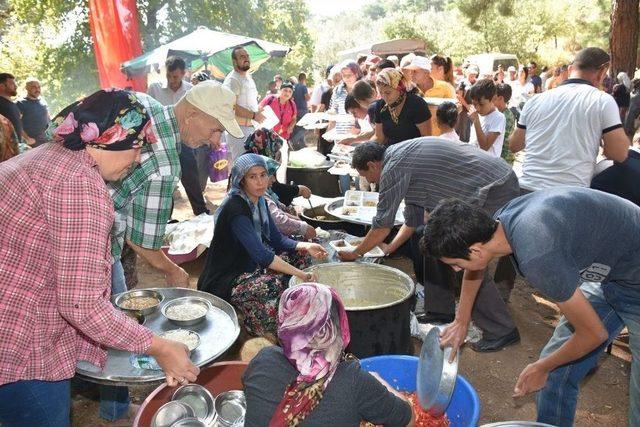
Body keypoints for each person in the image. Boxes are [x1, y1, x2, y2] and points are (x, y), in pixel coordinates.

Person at [0, 89, 201, 427]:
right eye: (136, 146)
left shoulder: (46, 157)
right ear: (104, 140)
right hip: (18, 346)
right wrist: (159, 346)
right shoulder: (79, 185)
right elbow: (81, 306)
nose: (138, 159)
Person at [422, 188, 640, 427]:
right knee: (555, 372)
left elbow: (593, 334)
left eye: (455, 263)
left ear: (474, 249)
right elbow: (475, 267)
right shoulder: (499, 224)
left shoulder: (537, 255)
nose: (456, 270)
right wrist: (461, 321)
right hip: (614, 272)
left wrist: (540, 367)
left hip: (634, 278)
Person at [339, 140, 521, 351]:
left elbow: (382, 226)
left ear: (372, 165)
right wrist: (390, 248)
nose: (367, 180)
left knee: (469, 255)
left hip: (494, 186)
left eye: (364, 175)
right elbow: (413, 220)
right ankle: (440, 310)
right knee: (432, 238)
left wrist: (356, 252)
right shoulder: (400, 159)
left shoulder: (393, 167)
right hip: (480, 182)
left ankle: (501, 329)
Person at [243, 282, 414, 426]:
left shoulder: (263, 359)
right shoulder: (354, 380)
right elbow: (408, 419)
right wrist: (380, 381)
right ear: (338, 327)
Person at [197, 154, 327, 337]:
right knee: (271, 285)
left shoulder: (260, 203)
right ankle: (261, 329)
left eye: (263, 175)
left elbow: (277, 240)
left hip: (251, 266)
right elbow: (262, 256)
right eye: (252, 177)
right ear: (241, 180)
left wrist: (305, 245)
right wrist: (301, 274)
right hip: (226, 277)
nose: (260, 182)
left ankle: (295, 310)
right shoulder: (236, 209)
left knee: (303, 256)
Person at [509, 47, 630, 193]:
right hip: (567, 196)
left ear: (571, 68)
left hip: (525, 191)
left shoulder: (535, 101)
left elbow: (514, 145)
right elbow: (619, 153)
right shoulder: (602, 100)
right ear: (602, 72)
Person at [147, 56, 211, 216]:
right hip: (160, 145)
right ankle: (164, 219)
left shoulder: (190, 90)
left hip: (184, 142)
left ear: (183, 73)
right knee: (164, 183)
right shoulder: (154, 89)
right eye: (168, 76)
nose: (171, 80)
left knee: (191, 179)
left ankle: (201, 214)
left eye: (175, 76)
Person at [224, 46, 265, 164]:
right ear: (234, 61)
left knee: (250, 168)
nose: (246, 59)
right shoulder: (233, 80)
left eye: (247, 56)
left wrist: (258, 110)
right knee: (241, 167)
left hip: (250, 128)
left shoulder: (248, 77)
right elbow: (231, 106)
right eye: (242, 57)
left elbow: (247, 103)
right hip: (238, 130)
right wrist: (253, 115)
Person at [371, 68, 432, 146]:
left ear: (399, 88)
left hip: (414, 152)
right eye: (381, 92)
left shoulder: (417, 105)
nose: (384, 97)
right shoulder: (381, 106)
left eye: (388, 92)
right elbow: (379, 137)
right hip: (390, 153)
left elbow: (426, 138)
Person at [262, 156, 316, 241]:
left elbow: (277, 210)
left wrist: (296, 219)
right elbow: (278, 221)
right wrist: (303, 228)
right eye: (270, 175)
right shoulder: (260, 197)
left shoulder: (267, 193)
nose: (274, 180)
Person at [468, 79, 506, 157]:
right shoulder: (477, 115)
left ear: (493, 99)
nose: (477, 108)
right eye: (474, 104)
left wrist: (476, 121)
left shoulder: (498, 118)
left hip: (487, 166)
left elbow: (484, 147)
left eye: (481, 104)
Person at [0, 73, 33, 146]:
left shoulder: (12, 104)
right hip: (6, 150)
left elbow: (17, 125)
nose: (16, 86)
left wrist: (26, 139)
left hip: (17, 147)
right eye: (12, 84)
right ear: (2, 86)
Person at [16, 77, 49, 147]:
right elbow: (16, 123)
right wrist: (27, 139)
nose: (37, 89)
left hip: (46, 140)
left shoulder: (43, 101)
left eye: (39, 87)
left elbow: (48, 118)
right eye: (34, 87)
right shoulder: (20, 103)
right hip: (31, 143)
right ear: (27, 88)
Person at [494, 83, 515, 163]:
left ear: (500, 98)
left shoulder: (506, 116)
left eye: (494, 97)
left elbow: (501, 140)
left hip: (504, 159)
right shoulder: (499, 112)